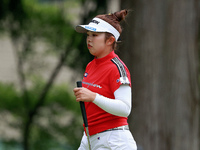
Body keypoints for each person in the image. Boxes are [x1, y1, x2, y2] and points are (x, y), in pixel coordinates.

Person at [73, 9, 137, 150]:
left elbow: (125, 109)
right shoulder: (90, 66)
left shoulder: (117, 68)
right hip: (91, 137)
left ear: (110, 40)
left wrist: (93, 96)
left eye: (94, 35)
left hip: (115, 142)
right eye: (88, 35)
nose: (89, 39)